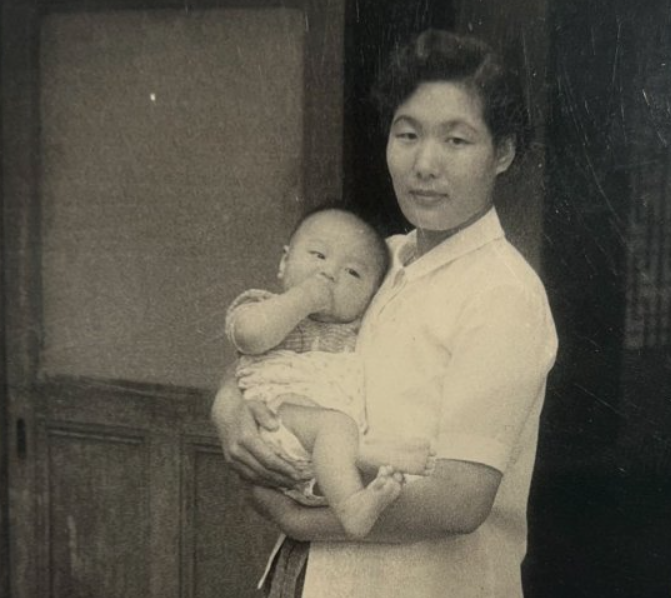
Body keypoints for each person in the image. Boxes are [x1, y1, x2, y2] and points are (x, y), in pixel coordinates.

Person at [212, 29, 558, 597]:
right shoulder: (377, 262)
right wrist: (228, 411)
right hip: (313, 577)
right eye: (408, 134)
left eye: (456, 140)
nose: (425, 164)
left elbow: (459, 500)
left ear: (503, 153)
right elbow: (284, 348)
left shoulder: (503, 294)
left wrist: (299, 520)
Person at [225, 207, 434, 539]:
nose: (329, 273)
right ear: (284, 262)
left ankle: (374, 465)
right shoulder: (262, 305)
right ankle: (352, 508)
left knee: (342, 431)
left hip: (326, 460)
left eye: (352, 273)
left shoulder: (358, 332)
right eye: (319, 255)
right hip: (278, 423)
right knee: (335, 427)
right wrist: (303, 298)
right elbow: (250, 336)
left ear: (370, 298)